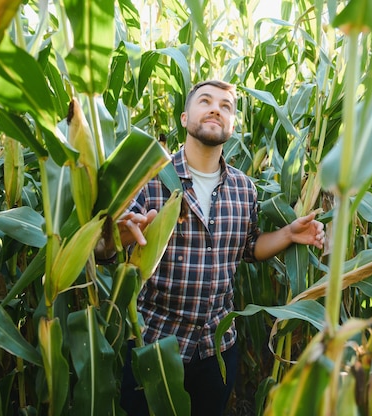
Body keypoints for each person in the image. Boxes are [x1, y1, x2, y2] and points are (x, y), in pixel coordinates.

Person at [114, 80, 325, 416]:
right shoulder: (151, 176)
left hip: (218, 349)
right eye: (206, 101)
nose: (216, 109)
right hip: (154, 346)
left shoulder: (244, 188)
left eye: (226, 106)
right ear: (184, 118)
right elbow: (102, 249)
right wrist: (119, 238)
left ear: (232, 125)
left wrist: (287, 234)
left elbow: (249, 247)